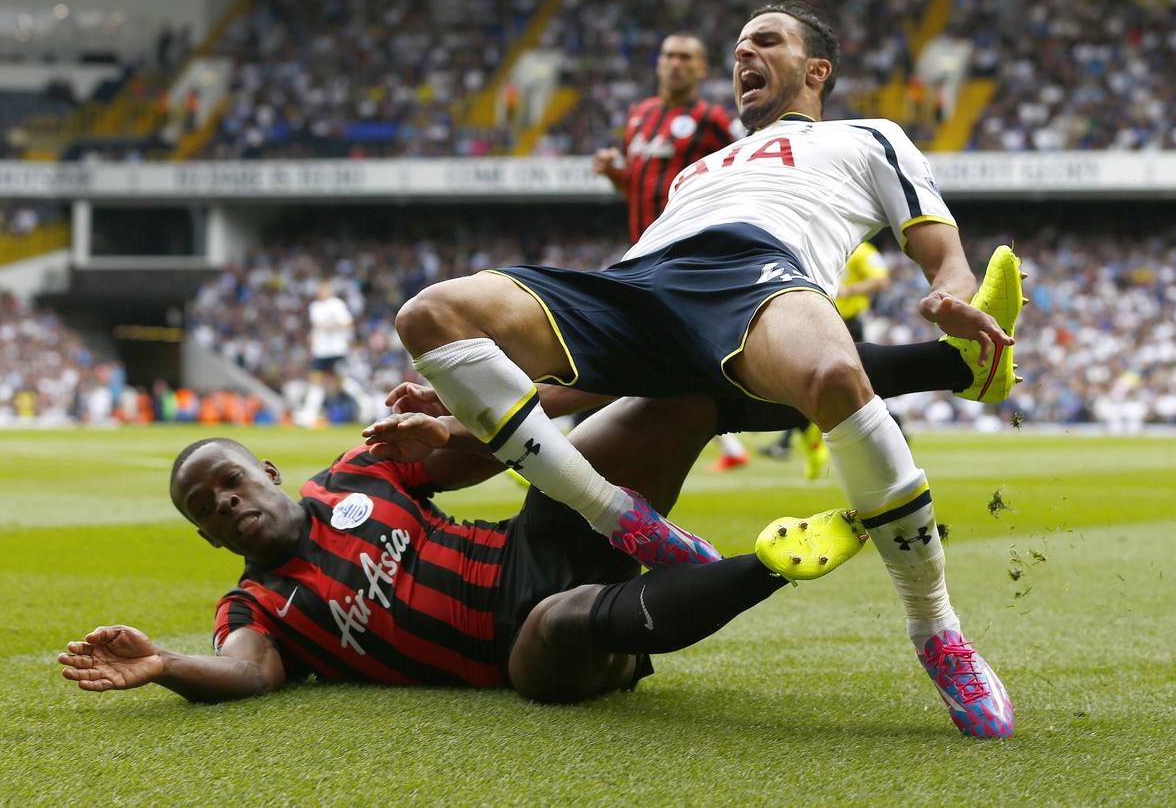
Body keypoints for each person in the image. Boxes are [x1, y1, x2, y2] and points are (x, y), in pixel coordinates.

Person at [387, 0, 1022, 738]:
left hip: (756, 274)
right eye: (739, 43)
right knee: (429, 314)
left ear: (816, 69)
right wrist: (459, 401)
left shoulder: (868, 136)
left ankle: (936, 630)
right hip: (636, 286)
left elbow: (942, 251)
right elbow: (605, 373)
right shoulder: (695, 173)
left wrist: (947, 295)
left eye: (766, 40)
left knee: (834, 378)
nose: (743, 52)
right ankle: (618, 516)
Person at [57, 395, 870, 705]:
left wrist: (444, 426)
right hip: (518, 650)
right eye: (208, 509)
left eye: (230, 481)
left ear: (265, 472)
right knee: (561, 621)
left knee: (667, 400)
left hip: (532, 541)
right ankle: (769, 564)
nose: (227, 503)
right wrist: (164, 663)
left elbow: (494, 454)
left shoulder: (357, 472)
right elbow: (245, 671)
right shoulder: (258, 607)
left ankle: (874, 387)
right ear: (207, 536)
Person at [592, 32, 750, 471]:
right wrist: (614, 173)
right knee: (648, 349)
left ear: (701, 69)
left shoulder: (713, 120)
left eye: (685, 57)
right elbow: (639, 186)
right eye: (668, 56)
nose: (674, 63)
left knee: (618, 341)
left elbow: (745, 167)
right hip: (642, 248)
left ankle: (567, 448)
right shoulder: (638, 114)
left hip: (683, 253)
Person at [764, 240, 893, 478]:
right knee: (802, 380)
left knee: (855, 385)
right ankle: (798, 438)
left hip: (847, 323)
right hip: (814, 322)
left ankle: (891, 433)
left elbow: (882, 280)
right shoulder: (814, 245)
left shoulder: (862, 251)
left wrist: (850, 290)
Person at [296, 281, 356, 427]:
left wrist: (331, 325)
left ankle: (365, 405)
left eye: (324, 289)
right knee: (315, 381)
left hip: (336, 350)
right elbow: (316, 327)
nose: (321, 292)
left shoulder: (337, 304)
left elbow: (348, 323)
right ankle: (309, 414)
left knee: (342, 382)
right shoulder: (315, 307)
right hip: (321, 351)